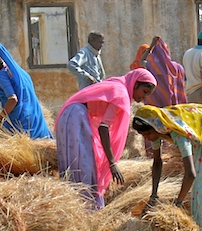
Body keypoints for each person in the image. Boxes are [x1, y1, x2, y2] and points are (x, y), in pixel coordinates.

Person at [55, 68, 156, 209]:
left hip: (72, 115)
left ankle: (77, 207)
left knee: (78, 164)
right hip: (76, 118)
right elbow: (104, 127)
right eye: (144, 92)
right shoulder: (121, 94)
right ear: (135, 84)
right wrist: (112, 163)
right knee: (83, 166)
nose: (143, 98)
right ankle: (85, 209)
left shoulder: (118, 85)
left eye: (147, 95)